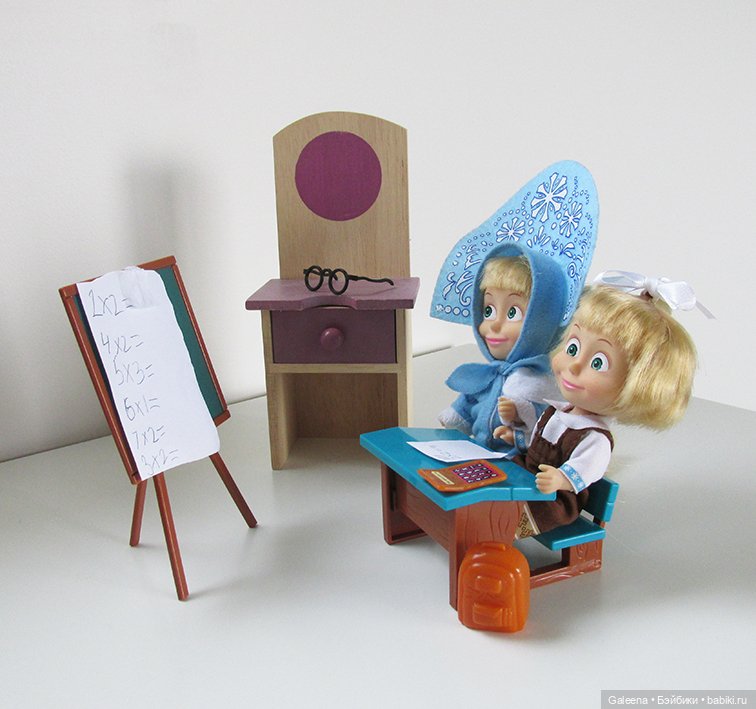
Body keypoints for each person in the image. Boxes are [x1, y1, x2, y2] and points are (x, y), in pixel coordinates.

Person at [494, 277, 698, 536]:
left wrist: (561, 479)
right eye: (573, 347)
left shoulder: (594, 438)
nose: (574, 365)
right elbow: (539, 442)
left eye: (598, 363)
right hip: (528, 476)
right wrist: (515, 435)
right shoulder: (558, 411)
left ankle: (494, 534)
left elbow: (586, 467)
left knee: (501, 514)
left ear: (637, 388)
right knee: (492, 480)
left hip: (552, 498)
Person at [438, 243, 567, 452]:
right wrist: (455, 418)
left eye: (512, 313)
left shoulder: (540, 385)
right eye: (488, 311)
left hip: (515, 460)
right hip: (478, 451)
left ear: (541, 322)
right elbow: (469, 401)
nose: (494, 324)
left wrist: (518, 420)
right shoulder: (486, 376)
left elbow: (547, 429)